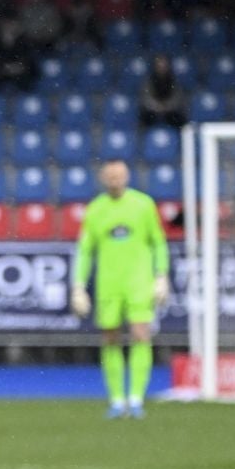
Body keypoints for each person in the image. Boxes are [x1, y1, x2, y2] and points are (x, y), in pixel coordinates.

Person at [70, 159, 169, 419]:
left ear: (126, 177)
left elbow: (158, 241)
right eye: (110, 177)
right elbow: (85, 250)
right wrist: (78, 285)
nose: (115, 181)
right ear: (103, 179)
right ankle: (116, 399)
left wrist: (161, 276)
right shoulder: (96, 209)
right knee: (110, 337)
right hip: (109, 283)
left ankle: (136, 398)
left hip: (138, 280)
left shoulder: (143, 204)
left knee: (140, 333)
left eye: (119, 176)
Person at [137, 54, 188, 128]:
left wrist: (166, 106)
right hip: (152, 112)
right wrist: (156, 106)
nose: (162, 68)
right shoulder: (149, 80)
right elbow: (146, 97)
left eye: (164, 65)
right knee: (144, 118)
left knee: (179, 119)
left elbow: (177, 97)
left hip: (170, 112)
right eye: (159, 65)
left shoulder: (174, 80)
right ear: (155, 66)